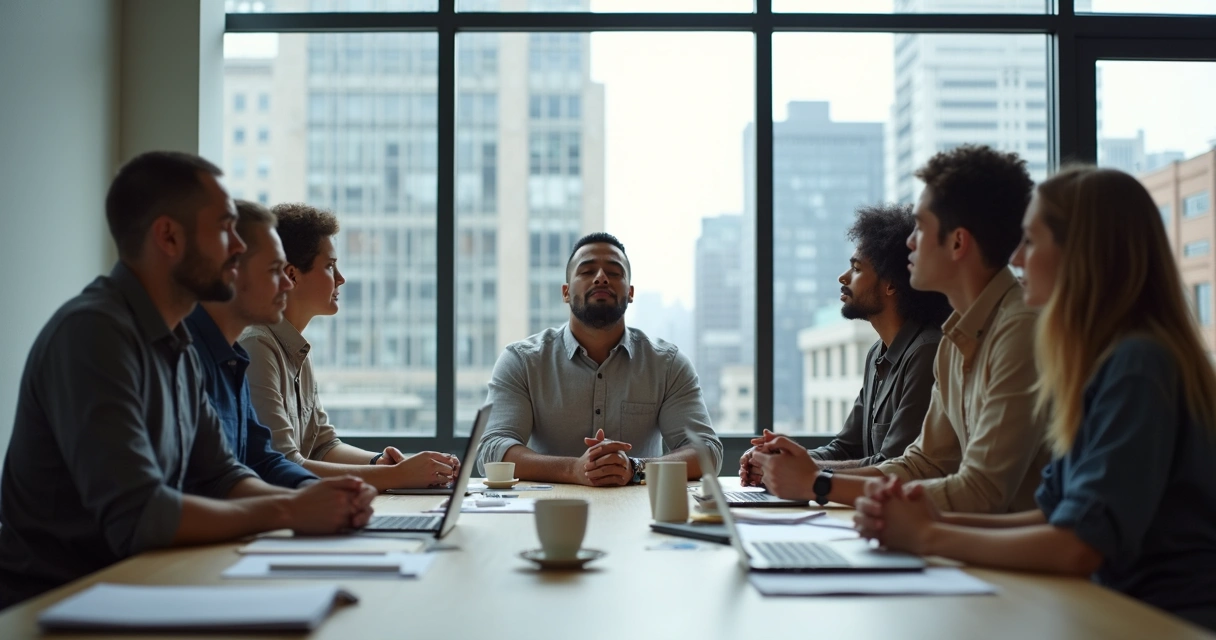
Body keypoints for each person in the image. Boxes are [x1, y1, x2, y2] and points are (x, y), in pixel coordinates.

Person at [0, 152, 376, 608]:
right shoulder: (94, 332)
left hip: (139, 585)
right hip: (60, 601)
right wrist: (291, 509)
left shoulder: (174, 339)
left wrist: (322, 497)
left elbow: (224, 474)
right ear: (169, 236)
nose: (238, 249)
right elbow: (140, 514)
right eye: (224, 228)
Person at [855, 166, 1216, 631]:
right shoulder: (1105, 362)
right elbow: (1050, 517)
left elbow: (1077, 544)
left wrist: (929, 534)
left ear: (1081, 255)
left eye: (1030, 242)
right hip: (1115, 608)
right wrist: (928, 519)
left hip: (1163, 620)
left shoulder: (1139, 366)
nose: (1018, 259)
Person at [750, 145, 1051, 513]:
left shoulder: (1019, 331)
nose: (909, 242)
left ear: (957, 241)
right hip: (972, 550)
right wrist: (810, 477)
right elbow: (921, 465)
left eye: (921, 228)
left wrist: (818, 482)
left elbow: (983, 490)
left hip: (1011, 561)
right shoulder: (956, 338)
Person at [240, 203, 459, 492]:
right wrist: (398, 477)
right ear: (292, 276)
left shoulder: (295, 347)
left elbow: (323, 445)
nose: (340, 278)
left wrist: (380, 463)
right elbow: (283, 463)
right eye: (330, 266)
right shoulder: (256, 346)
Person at [478, 232, 723, 486]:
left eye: (615, 273)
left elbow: (707, 451)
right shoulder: (522, 361)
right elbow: (492, 450)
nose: (601, 278)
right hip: (548, 513)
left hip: (639, 516)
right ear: (565, 292)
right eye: (586, 271)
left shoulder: (667, 364)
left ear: (630, 292)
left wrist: (634, 468)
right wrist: (572, 469)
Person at [740, 204, 950, 478]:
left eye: (856, 268)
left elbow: (894, 463)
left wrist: (802, 470)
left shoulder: (927, 352)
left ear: (891, 285)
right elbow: (846, 448)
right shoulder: (877, 353)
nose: (843, 277)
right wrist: (778, 458)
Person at [184, 200, 317, 489]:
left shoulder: (232, 357)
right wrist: (298, 505)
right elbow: (212, 485)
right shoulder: (184, 356)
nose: (287, 284)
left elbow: (261, 460)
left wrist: (316, 490)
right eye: (274, 270)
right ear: (229, 270)